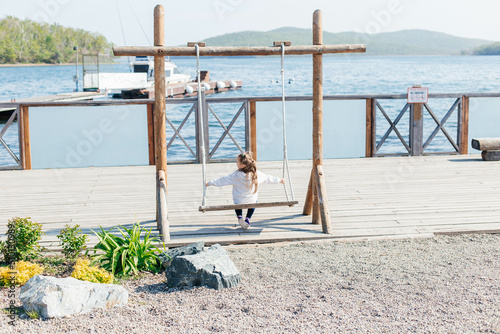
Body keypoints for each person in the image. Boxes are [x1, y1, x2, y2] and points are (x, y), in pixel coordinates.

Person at [205, 151, 285, 229]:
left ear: (242, 165)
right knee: (254, 201)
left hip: (239, 201)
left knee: (237, 202)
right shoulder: (256, 174)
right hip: (251, 201)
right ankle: (247, 219)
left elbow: (223, 180)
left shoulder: (236, 175)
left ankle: (239, 216)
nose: (236, 164)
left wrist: (210, 183)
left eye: (237, 162)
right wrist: (280, 180)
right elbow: (268, 178)